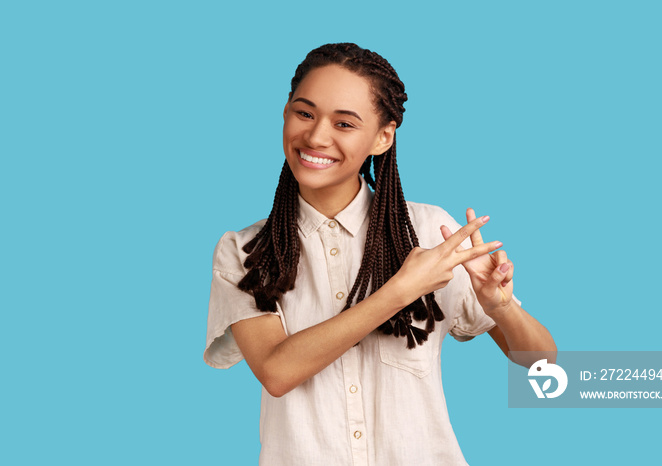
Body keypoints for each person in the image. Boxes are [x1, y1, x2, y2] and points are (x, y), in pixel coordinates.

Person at [204, 42, 556, 465]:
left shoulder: (430, 233)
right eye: (304, 113)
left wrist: (501, 308)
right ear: (285, 112)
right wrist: (400, 291)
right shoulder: (245, 251)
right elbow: (277, 373)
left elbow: (541, 362)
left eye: (345, 123)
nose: (316, 136)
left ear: (383, 137)